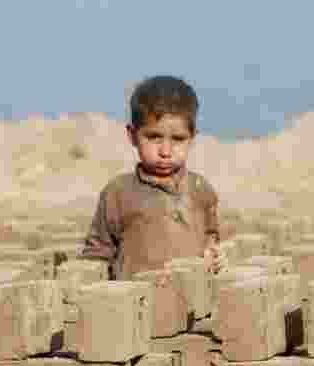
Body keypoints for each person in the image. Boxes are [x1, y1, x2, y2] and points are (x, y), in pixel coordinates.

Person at [82, 75, 225, 278]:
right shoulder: (118, 193)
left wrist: (215, 256)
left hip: (190, 307)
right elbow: (96, 256)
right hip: (135, 306)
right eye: (154, 137)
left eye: (177, 139)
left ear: (192, 139)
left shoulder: (201, 190)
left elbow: (212, 240)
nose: (165, 151)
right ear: (132, 135)